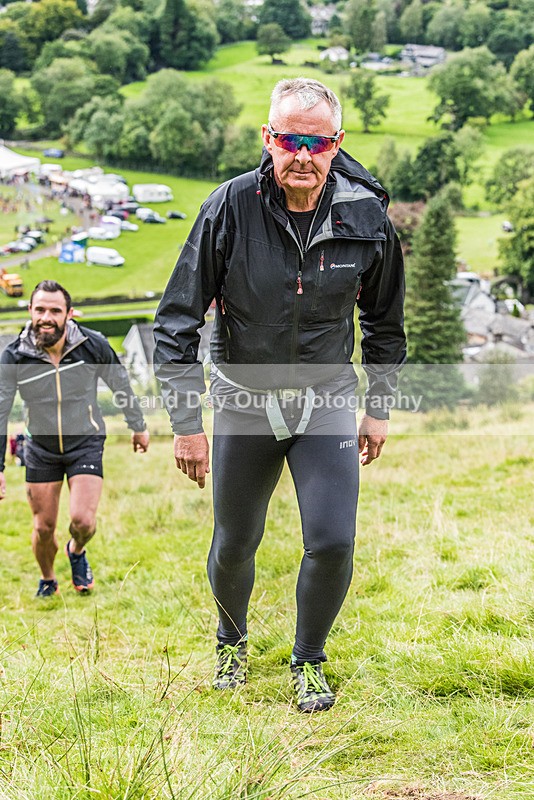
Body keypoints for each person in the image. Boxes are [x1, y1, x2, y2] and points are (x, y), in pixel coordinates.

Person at [154, 78, 406, 713]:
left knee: (334, 539)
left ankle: (309, 659)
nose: (302, 154)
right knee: (236, 542)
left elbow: (384, 321)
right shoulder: (229, 207)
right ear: (268, 139)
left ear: (336, 144)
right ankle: (231, 642)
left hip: (326, 402)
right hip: (243, 401)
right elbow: (177, 321)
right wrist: (187, 421)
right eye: (288, 139)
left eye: (316, 142)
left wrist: (379, 405)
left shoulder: (367, 216)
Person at [0, 280, 150, 597]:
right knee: (43, 528)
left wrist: (137, 425)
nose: (46, 317)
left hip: (86, 442)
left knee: (83, 521)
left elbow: (119, 382)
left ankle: (77, 551)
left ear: (69, 314)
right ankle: (48, 578)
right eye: (40, 309)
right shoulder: (14, 357)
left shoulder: (92, 345)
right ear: (30, 311)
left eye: (55, 310)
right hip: (40, 448)